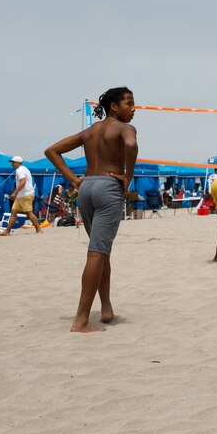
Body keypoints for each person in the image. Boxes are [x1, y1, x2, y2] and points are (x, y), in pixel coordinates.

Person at [45, 86, 139, 333]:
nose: (133, 109)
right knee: (96, 252)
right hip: (108, 186)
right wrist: (128, 177)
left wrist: (72, 179)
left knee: (101, 250)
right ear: (114, 107)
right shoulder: (125, 128)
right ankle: (81, 321)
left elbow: (51, 151)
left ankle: (105, 308)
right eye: (129, 104)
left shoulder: (90, 131)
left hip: (86, 187)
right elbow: (131, 145)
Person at [0, 156, 41, 235]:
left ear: (18, 163)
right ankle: (7, 231)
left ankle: (38, 229)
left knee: (29, 213)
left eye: (13, 162)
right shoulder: (24, 169)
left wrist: (14, 193)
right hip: (22, 195)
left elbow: (23, 182)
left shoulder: (20, 171)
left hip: (26, 194)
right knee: (13, 211)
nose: (12, 164)